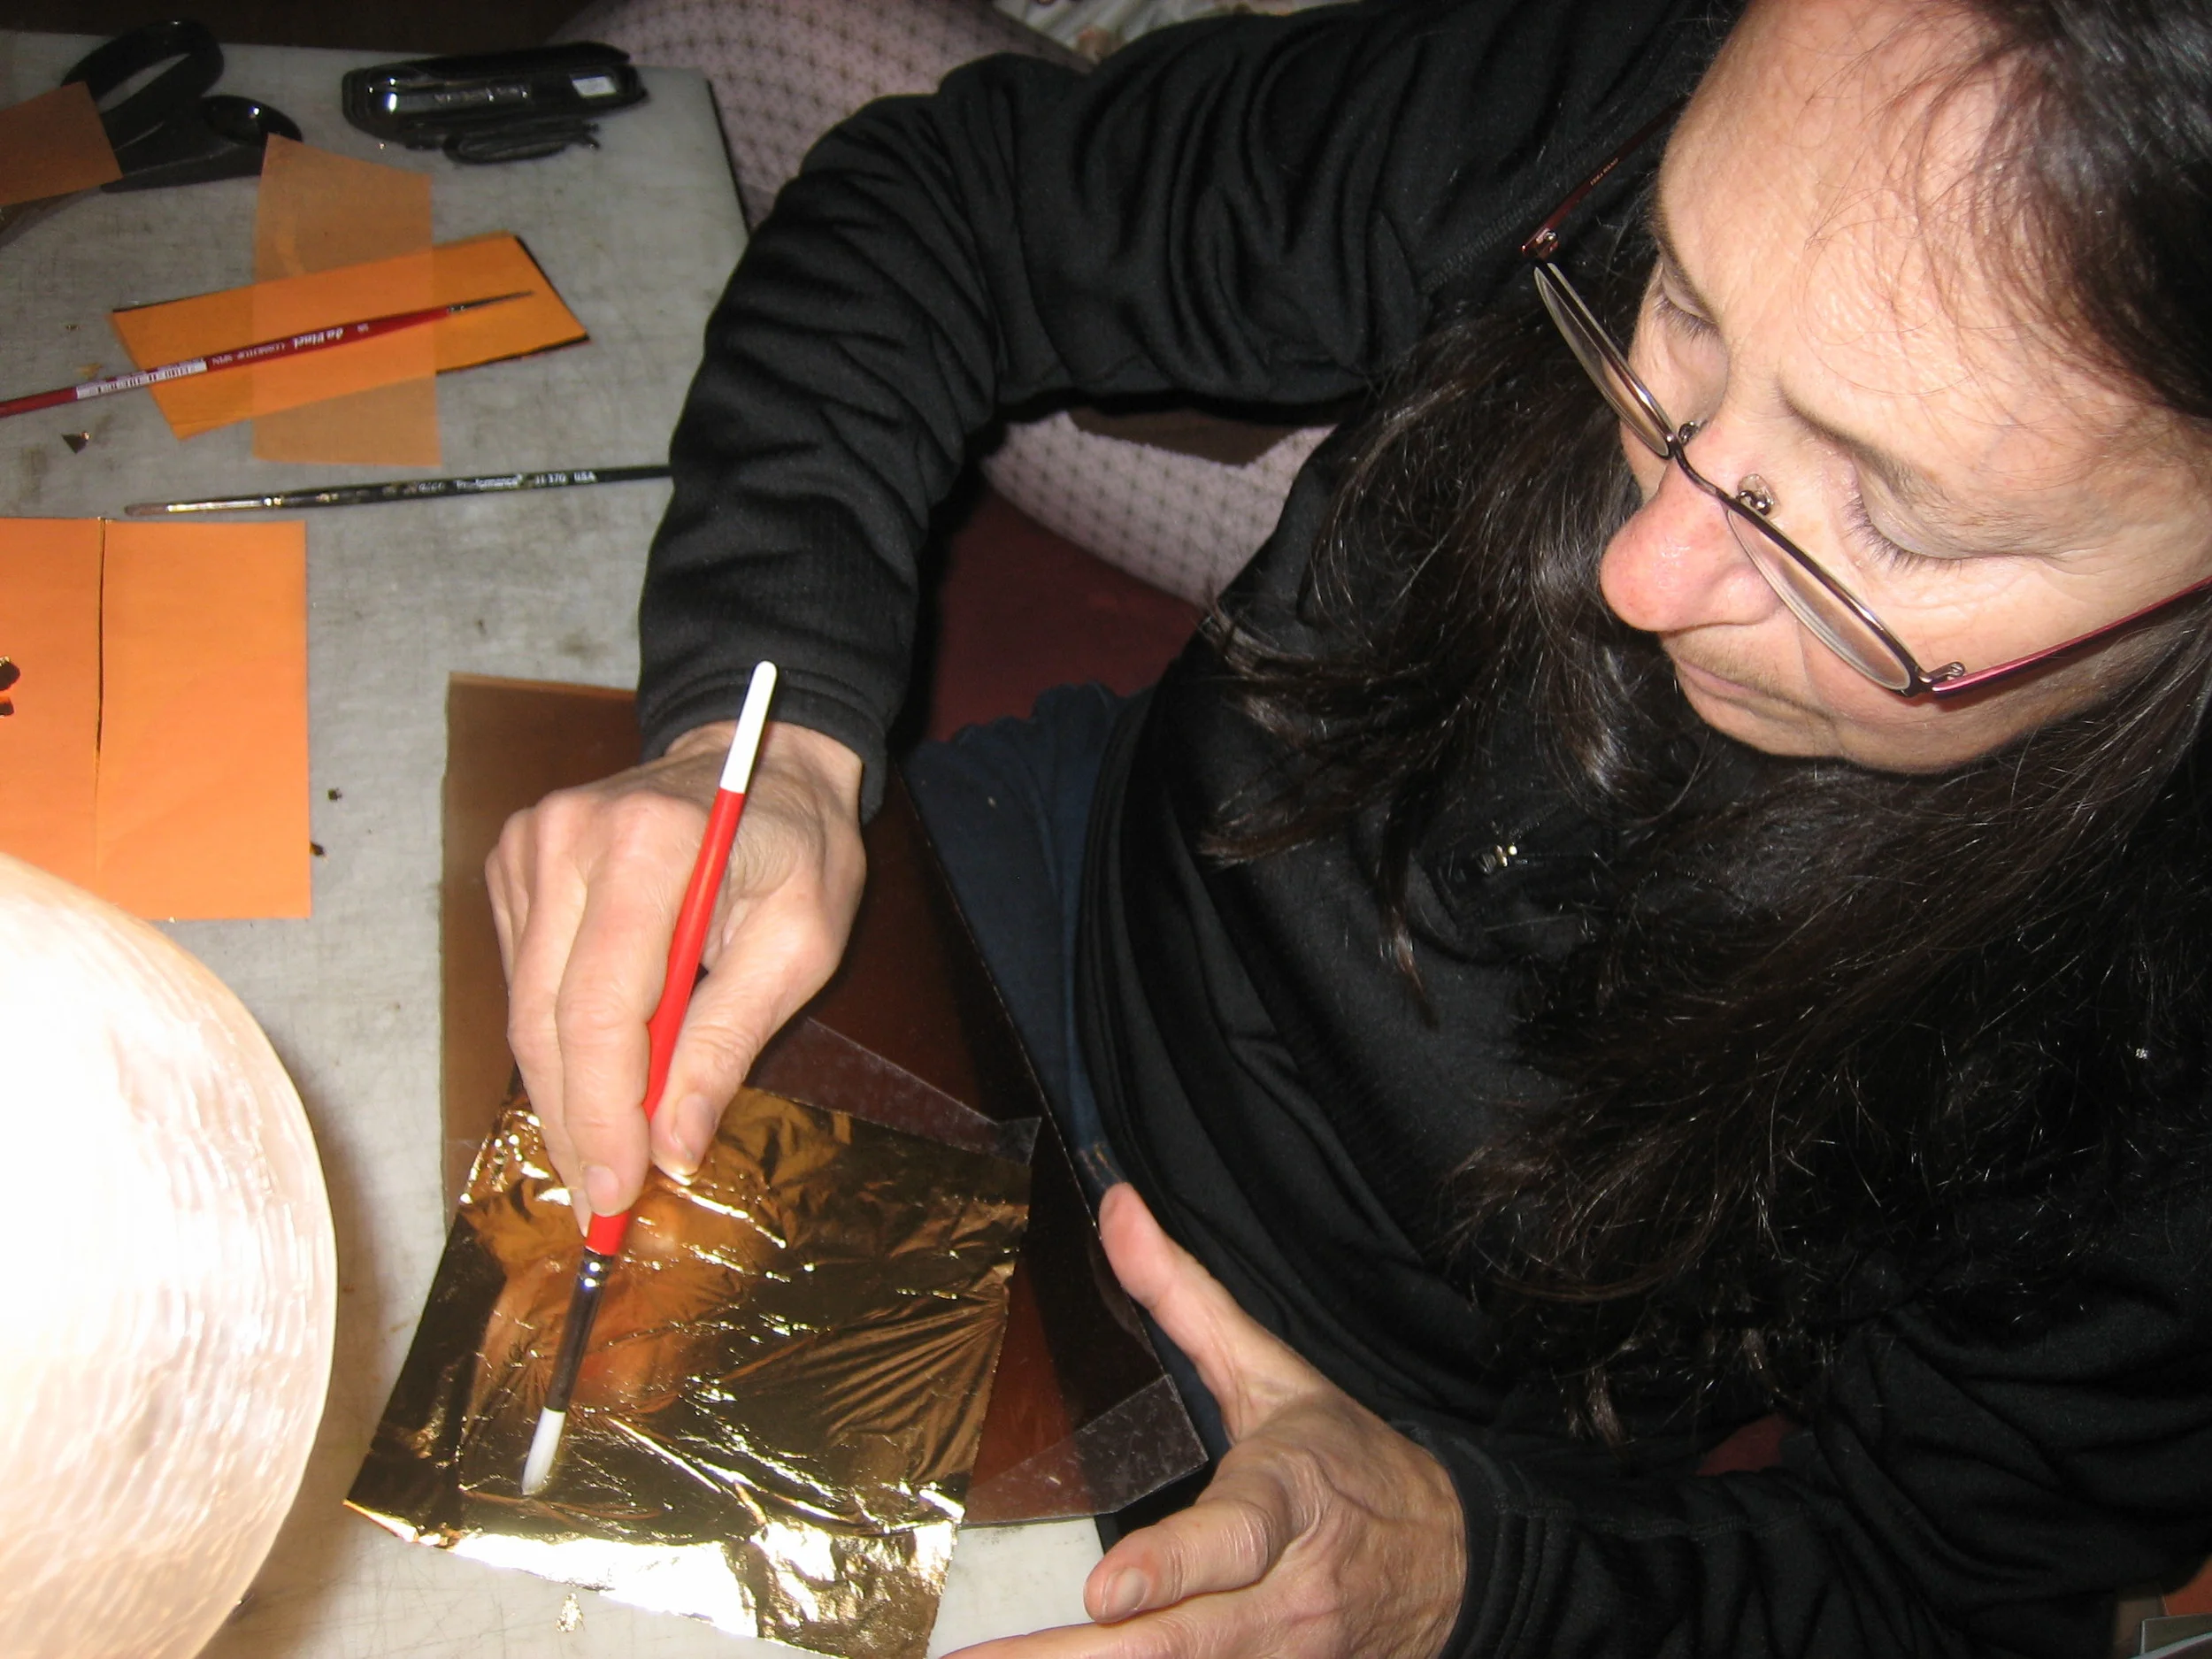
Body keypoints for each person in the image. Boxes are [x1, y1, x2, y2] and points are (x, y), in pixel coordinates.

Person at [486, 0, 2212, 1652]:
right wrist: (756, 731)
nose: (1637, 569)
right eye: (1671, 299)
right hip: (1026, 905)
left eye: (1885, 519)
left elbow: (1942, 1595)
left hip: (1313, 1457)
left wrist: (1463, 1572)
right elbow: (952, 202)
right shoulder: (1687, 95)